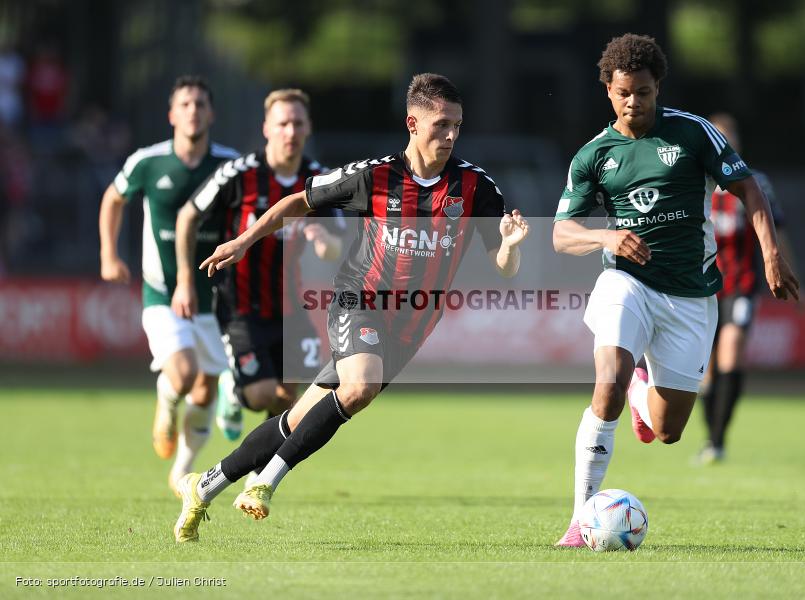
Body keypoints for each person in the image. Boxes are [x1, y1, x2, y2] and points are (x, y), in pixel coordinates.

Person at [172, 73, 530, 542]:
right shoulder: (375, 176)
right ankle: (265, 483)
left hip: (412, 325)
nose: (450, 135)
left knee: (298, 419)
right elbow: (293, 203)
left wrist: (510, 246)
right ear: (412, 123)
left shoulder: (474, 186)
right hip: (357, 301)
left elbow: (503, 267)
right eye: (441, 124)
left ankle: (203, 486)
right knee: (357, 387)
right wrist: (242, 241)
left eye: (457, 126)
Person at [552, 34, 799, 547]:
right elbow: (561, 233)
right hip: (627, 282)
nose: (633, 102)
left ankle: (643, 391)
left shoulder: (693, 133)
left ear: (657, 87)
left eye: (643, 92)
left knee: (668, 431)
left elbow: (747, 187)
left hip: (689, 296)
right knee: (607, 382)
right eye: (623, 93)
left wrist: (771, 252)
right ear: (608, 90)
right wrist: (606, 236)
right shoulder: (593, 155)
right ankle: (579, 520)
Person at [174, 88, 344, 444]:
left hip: (290, 308)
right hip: (240, 307)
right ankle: (234, 390)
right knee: (264, 395)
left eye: (298, 123)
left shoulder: (321, 180)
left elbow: (337, 246)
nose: (291, 132)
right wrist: (184, 280)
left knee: (290, 402)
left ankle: (257, 480)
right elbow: (188, 215)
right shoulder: (239, 173)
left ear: (308, 127)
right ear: (266, 127)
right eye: (283, 123)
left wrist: (321, 241)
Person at [99, 75, 239, 494]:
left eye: (200, 103)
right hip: (161, 290)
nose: (193, 110)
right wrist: (108, 254)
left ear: (211, 113)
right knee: (182, 372)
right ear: (172, 114)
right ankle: (165, 407)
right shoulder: (148, 161)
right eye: (185, 104)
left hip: (215, 297)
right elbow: (113, 198)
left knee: (205, 385)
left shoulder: (229, 165)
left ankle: (182, 469)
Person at [697, 113, 802, 465]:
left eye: (731, 137)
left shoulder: (756, 183)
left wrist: (790, 275)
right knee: (704, 371)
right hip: (702, 289)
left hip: (741, 285)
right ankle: (710, 437)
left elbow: (777, 232)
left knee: (732, 349)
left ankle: (717, 441)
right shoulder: (697, 182)